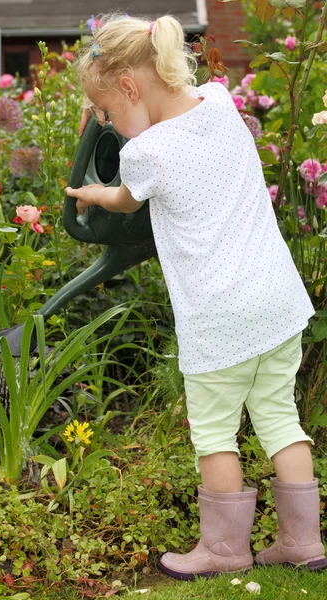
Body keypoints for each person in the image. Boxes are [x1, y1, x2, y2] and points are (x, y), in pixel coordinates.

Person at [65, 13, 327, 580]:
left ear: (131, 87)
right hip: (278, 302)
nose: (108, 125)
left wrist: (94, 192)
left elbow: (128, 201)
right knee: (281, 419)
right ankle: (303, 543)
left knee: (214, 434)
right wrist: (106, 107)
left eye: (107, 112)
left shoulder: (145, 154)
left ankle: (225, 550)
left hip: (219, 319)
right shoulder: (219, 102)